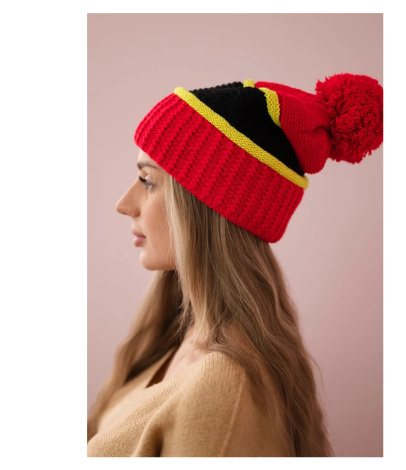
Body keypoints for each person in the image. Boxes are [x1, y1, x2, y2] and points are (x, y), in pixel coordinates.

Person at [87, 73, 383, 457]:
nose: (123, 204)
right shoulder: (178, 338)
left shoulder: (220, 394)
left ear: (207, 208)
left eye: (148, 180)